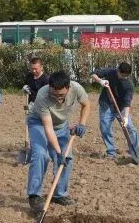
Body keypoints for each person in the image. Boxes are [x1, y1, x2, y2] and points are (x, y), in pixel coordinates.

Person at [26, 70, 91, 214]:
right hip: (39, 123)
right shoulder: (43, 95)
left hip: (61, 125)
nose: (57, 98)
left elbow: (86, 104)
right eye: (54, 94)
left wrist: (82, 124)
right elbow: (48, 127)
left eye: (61, 95)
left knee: (67, 159)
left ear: (68, 88)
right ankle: (34, 195)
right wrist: (58, 151)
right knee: (41, 154)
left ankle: (59, 194)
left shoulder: (77, 88)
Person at [91, 62, 139, 162]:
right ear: (118, 71)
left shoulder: (129, 85)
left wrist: (126, 117)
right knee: (105, 128)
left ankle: (136, 151)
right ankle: (111, 153)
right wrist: (100, 81)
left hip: (121, 107)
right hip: (106, 105)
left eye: (127, 76)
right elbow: (93, 74)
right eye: (123, 75)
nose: (124, 77)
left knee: (130, 128)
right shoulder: (110, 72)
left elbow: (127, 102)